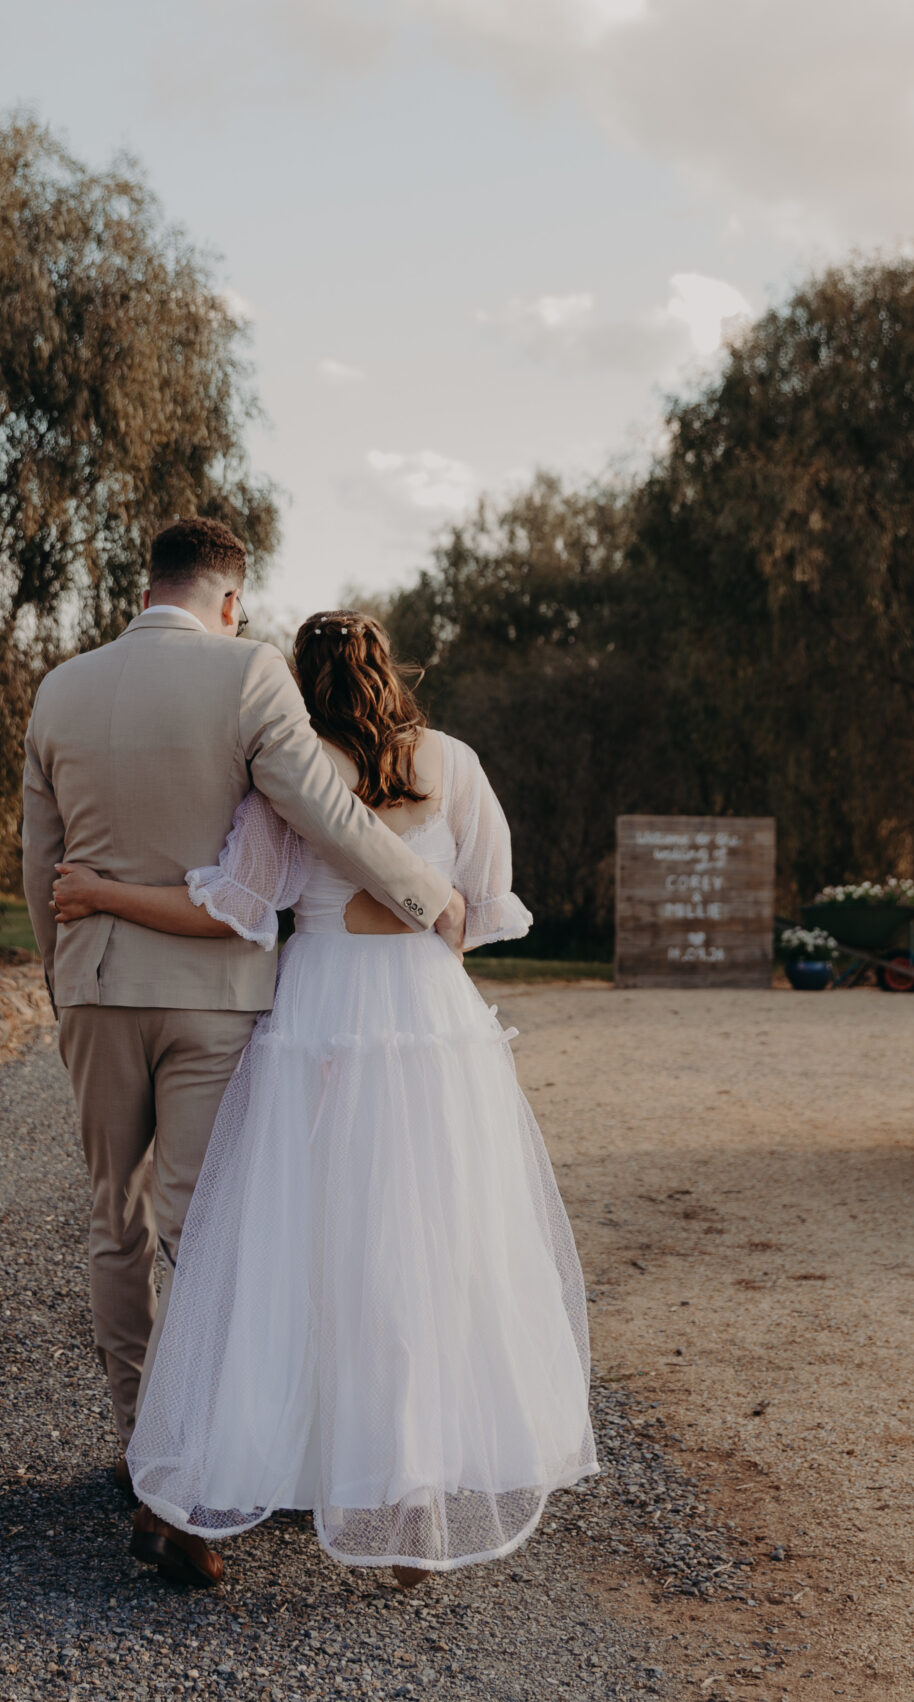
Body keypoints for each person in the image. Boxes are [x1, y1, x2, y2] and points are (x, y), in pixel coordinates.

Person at [47, 609, 596, 1590]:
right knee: (426, 1250)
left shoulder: (287, 781)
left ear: (295, 683)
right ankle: (408, 1492)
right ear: (391, 671)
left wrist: (98, 892)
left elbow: (232, 913)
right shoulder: (454, 765)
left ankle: (198, 1489)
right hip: (431, 1026)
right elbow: (477, 905)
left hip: (321, 1026)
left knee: (280, 1257)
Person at [21, 522, 467, 1591]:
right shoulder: (247, 672)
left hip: (92, 981)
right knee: (212, 1230)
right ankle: (203, 1461)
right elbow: (318, 810)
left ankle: (143, 1445)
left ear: (148, 583)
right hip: (214, 995)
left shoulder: (60, 690)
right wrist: (424, 894)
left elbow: (41, 857)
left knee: (113, 1222)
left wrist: (61, 969)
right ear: (229, 597)